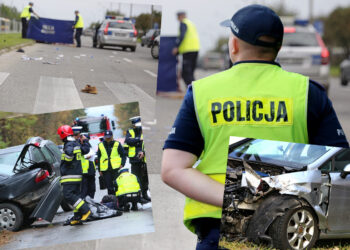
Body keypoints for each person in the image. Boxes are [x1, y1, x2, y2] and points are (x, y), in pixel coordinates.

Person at [161, 4, 349, 249]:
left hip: (218, 228)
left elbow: (172, 170)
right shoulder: (308, 94)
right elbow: (340, 171)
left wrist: (238, 200)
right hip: (289, 227)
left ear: (234, 45)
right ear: (278, 48)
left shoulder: (202, 93)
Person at [57, 125, 91, 226]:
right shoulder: (75, 143)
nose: (60, 137)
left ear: (63, 134)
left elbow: (69, 156)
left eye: (60, 135)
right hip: (77, 174)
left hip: (70, 175)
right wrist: (85, 141)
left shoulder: (69, 144)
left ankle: (85, 210)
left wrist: (66, 160)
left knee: (68, 195)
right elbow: (85, 150)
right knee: (76, 196)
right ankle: (78, 216)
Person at [125, 116, 151, 202]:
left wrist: (135, 142)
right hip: (134, 160)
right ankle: (138, 197)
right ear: (133, 125)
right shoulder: (130, 131)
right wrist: (139, 139)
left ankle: (145, 194)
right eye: (136, 125)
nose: (138, 126)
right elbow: (128, 141)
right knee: (136, 178)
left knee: (145, 179)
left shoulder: (144, 130)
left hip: (144, 159)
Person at [172, 11, 200, 87]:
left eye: (177, 17)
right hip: (195, 49)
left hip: (188, 50)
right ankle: (194, 89)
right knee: (190, 72)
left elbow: (182, 36)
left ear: (181, 16)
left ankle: (192, 90)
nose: (177, 19)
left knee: (186, 73)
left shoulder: (183, 23)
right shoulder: (191, 23)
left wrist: (176, 47)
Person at [97, 130, 126, 195]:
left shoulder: (117, 144)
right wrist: (99, 170)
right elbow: (99, 158)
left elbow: (123, 155)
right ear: (104, 137)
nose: (108, 139)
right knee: (109, 188)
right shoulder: (100, 145)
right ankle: (112, 202)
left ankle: (120, 202)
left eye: (109, 137)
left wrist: (122, 164)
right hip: (106, 170)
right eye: (106, 137)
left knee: (118, 186)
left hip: (116, 169)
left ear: (112, 136)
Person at [80, 134, 96, 199]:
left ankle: (90, 201)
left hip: (91, 169)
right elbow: (87, 155)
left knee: (92, 188)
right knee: (84, 190)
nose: (85, 140)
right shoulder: (79, 146)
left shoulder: (88, 145)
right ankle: (84, 204)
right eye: (83, 139)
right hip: (83, 171)